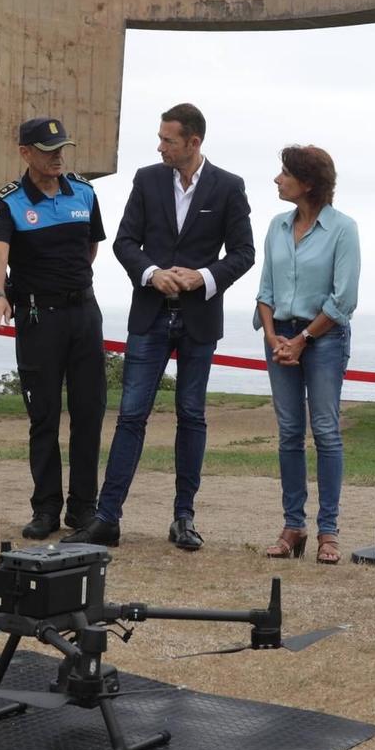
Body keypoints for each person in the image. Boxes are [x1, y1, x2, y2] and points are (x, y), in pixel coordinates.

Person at [68, 103, 254, 551]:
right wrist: (151, 273)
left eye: (168, 140)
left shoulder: (229, 186)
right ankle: (107, 518)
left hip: (199, 318)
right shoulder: (146, 179)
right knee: (131, 415)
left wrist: (203, 277)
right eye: (160, 138)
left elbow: (244, 253)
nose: (160, 147)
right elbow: (124, 242)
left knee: (192, 415)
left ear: (193, 142)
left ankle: (183, 518)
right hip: (150, 315)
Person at [0, 117, 107, 540]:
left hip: (84, 314)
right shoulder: (10, 201)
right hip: (39, 319)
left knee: (89, 413)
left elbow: (90, 246)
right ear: (25, 153)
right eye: (48, 150)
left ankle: (83, 508)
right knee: (44, 417)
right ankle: (46, 508)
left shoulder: (84, 192)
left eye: (61, 149)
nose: (57, 157)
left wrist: (69, 285)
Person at [256, 145, 361, 565]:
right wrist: (273, 338)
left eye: (285, 173)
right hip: (279, 337)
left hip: (324, 339)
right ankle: (293, 526)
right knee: (288, 433)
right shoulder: (276, 226)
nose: (277, 179)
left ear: (309, 183)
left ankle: (328, 531)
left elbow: (343, 299)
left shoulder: (343, 229)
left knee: (326, 431)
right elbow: (265, 290)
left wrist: (301, 340)